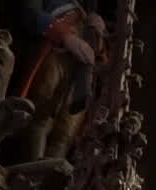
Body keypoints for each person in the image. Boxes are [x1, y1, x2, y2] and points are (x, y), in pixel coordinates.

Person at [17, 1, 108, 160]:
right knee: (39, 117)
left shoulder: (85, 10)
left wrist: (98, 35)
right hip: (53, 53)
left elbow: (99, 58)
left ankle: (52, 171)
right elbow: (29, 12)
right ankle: (32, 167)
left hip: (79, 74)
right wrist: (64, 36)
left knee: (66, 133)